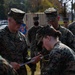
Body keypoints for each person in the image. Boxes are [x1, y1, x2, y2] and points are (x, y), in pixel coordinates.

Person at [0, 8, 35, 75]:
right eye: (17, 22)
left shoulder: (22, 37)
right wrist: (8, 64)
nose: (19, 25)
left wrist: (32, 60)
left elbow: (25, 57)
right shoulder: (1, 35)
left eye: (21, 22)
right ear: (9, 20)